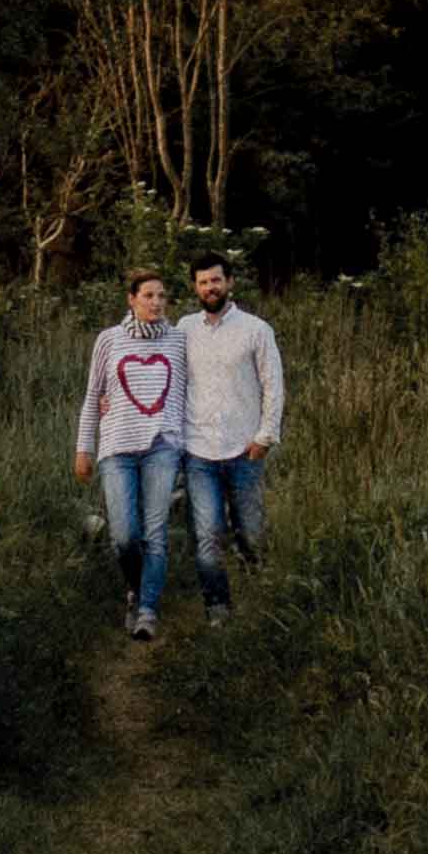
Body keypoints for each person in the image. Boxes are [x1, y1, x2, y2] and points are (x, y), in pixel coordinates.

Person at [169, 257, 286, 615]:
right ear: (195, 287)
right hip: (198, 450)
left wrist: (266, 435)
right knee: (206, 536)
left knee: (250, 531)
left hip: (243, 449)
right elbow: (164, 376)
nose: (210, 288)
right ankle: (217, 606)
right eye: (203, 282)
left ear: (230, 282)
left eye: (216, 280)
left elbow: (273, 385)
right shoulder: (183, 329)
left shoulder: (256, 330)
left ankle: (257, 585)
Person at [75, 271, 186, 640]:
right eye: (148, 295)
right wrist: (83, 448)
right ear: (132, 299)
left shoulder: (178, 341)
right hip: (117, 449)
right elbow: (94, 396)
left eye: (162, 296)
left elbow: (192, 394)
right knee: (124, 535)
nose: (156, 302)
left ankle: (147, 611)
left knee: (155, 534)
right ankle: (135, 589)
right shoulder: (109, 339)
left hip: (162, 448)